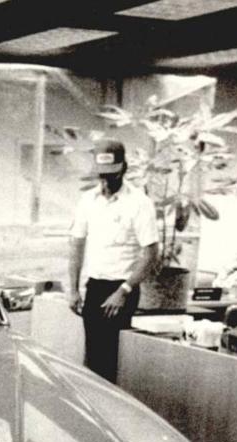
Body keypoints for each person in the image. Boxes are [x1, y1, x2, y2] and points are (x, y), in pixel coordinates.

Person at [68, 138, 159, 382]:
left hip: (122, 289)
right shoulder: (88, 200)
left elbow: (151, 254)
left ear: (124, 168)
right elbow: (76, 244)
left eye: (112, 175)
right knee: (91, 362)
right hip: (95, 286)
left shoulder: (139, 203)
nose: (106, 181)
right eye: (102, 175)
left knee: (110, 364)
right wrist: (73, 289)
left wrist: (124, 290)